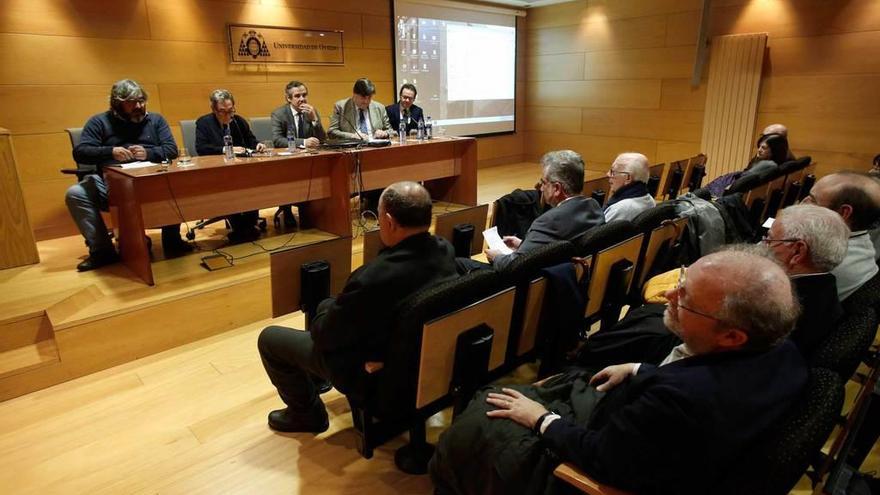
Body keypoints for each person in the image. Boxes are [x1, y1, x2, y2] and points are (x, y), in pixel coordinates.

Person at [430, 250, 806, 495]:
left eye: (685, 298)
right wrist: (639, 368)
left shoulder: (680, 399)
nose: (669, 296)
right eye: (681, 284)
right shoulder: (785, 352)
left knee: (478, 418)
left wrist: (542, 420)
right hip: (638, 429)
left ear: (732, 335)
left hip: (588, 465)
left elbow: (604, 460)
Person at [257, 182, 458, 433]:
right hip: (422, 365)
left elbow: (324, 335)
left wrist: (324, 307)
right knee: (328, 306)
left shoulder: (372, 279)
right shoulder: (445, 250)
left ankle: (306, 414)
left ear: (388, 221)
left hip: (373, 374)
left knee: (270, 339)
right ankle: (317, 377)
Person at [66, 79, 188, 271]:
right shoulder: (99, 122)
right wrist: (110, 151)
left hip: (152, 182)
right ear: (117, 103)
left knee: (177, 180)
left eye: (141, 100)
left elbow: (171, 149)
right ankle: (102, 251)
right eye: (132, 102)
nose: (139, 106)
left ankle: (172, 240)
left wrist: (149, 153)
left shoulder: (156, 120)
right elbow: (80, 152)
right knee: (75, 193)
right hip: (111, 184)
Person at [486, 150, 604, 271]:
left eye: (543, 183)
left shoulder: (548, 221)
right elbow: (557, 248)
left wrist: (496, 257)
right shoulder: (594, 207)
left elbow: (513, 266)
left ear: (557, 188)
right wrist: (522, 244)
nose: (541, 188)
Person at [764, 204, 848, 357]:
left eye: (769, 239)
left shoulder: (776, 309)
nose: (764, 245)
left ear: (797, 251)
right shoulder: (826, 287)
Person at [195, 89, 266, 242]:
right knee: (231, 186)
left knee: (252, 182)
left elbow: (250, 140)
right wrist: (226, 149)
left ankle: (250, 224)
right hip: (216, 172)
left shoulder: (239, 121)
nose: (228, 115)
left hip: (240, 169)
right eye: (223, 111)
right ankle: (239, 227)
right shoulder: (204, 123)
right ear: (214, 109)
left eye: (231, 110)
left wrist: (258, 144)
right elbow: (201, 148)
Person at [803, 171, 880, 300]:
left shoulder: (826, 262)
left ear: (843, 213)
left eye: (812, 200)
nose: (803, 202)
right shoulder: (858, 242)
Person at [270, 80, 327, 228]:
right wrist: (303, 142)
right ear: (289, 98)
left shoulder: (311, 111)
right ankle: (287, 210)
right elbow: (277, 140)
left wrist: (315, 120)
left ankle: (311, 208)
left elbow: (322, 139)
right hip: (288, 160)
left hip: (309, 160)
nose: (302, 99)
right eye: (297, 96)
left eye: (304, 95)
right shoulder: (279, 114)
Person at [603, 152, 656, 222]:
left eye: (613, 172)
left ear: (628, 178)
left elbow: (595, 232)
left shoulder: (620, 209)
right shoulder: (650, 199)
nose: (608, 174)